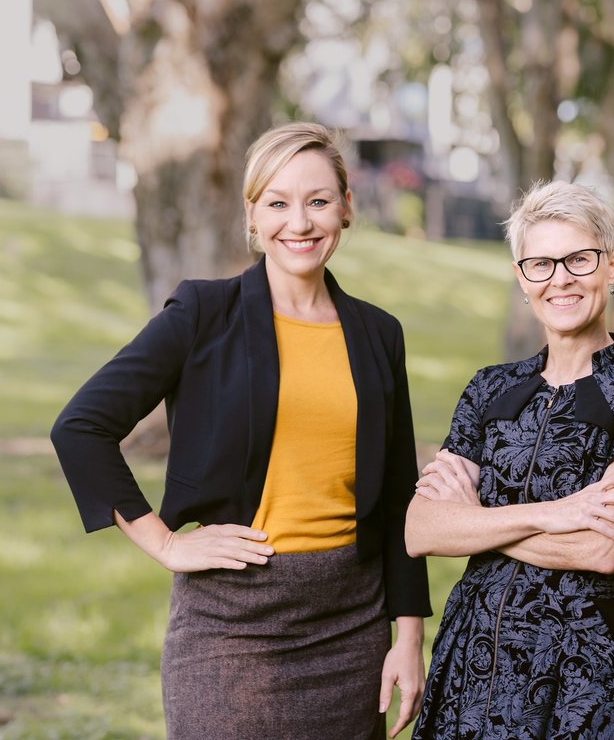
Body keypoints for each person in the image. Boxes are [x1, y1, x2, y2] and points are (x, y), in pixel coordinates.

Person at [50, 122, 431, 739]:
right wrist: (167, 545)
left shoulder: (378, 333)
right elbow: (82, 428)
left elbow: (397, 497)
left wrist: (408, 636)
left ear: (346, 207)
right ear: (252, 216)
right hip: (229, 628)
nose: (299, 222)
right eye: (277, 203)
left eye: (318, 201)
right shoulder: (204, 312)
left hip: (353, 629)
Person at [406, 180, 614, 739]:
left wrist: (474, 522)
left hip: (581, 680)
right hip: (469, 668)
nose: (559, 278)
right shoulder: (490, 388)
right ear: (521, 277)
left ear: (611, 266)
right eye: (540, 263)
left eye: (578, 259)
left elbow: (602, 548)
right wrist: (554, 513)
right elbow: (420, 530)